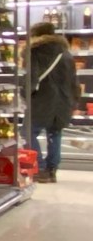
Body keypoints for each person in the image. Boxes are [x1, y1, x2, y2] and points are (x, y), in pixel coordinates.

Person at [27, 20, 79, 182]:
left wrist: (24, 95)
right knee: (55, 133)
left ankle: (40, 168)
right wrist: (74, 102)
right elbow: (74, 83)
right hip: (63, 101)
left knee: (28, 133)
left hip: (43, 100)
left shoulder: (35, 52)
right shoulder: (66, 54)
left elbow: (31, 80)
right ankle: (52, 170)